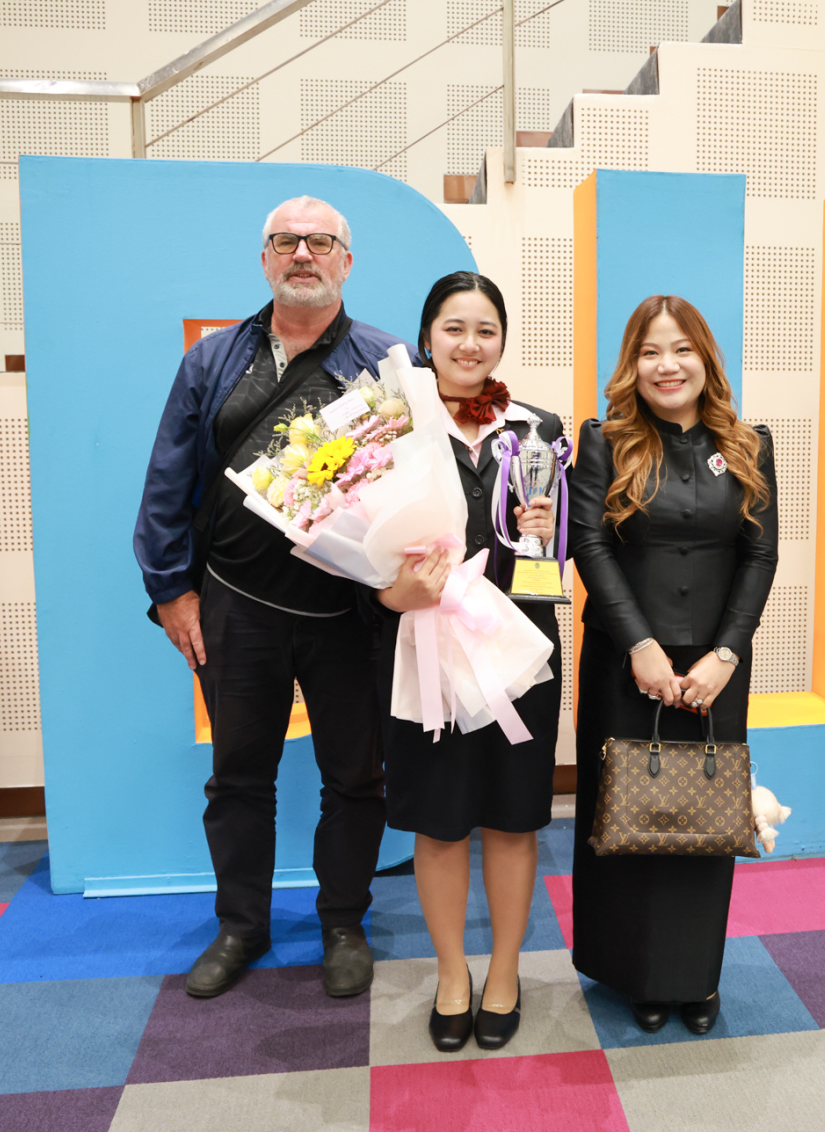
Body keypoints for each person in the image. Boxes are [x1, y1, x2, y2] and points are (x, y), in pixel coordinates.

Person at [135, 196, 402, 1001]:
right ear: (264, 260)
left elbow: (415, 490)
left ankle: (343, 922)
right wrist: (171, 592)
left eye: (321, 242)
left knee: (355, 778)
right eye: (286, 242)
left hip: (348, 615)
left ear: (346, 261)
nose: (303, 254)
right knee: (238, 778)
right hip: (234, 605)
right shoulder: (212, 361)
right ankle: (240, 925)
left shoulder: (386, 364)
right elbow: (167, 481)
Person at [568, 293, 777, 1035]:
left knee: (704, 818)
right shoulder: (604, 441)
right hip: (625, 661)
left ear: (705, 360)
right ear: (632, 364)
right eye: (651, 351)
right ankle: (636, 975)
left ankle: (695, 978)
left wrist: (727, 652)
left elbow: (759, 555)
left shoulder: (749, 444)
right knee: (624, 814)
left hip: (716, 668)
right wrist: (640, 646)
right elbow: (589, 546)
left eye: (681, 349)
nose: (667, 365)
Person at [374, 271, 564, 1052]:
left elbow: (558, 554)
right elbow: (361, 549)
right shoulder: (391, 428)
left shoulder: (540, 428)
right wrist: (394, 594)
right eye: (454, 328)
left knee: (514, 818)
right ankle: (452, 974)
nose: (470, 343)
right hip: (425, 650)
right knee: (441, 822)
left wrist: (547, 535)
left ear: (502, 341)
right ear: (427, 338)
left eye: (486, 329)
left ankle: (506, 972)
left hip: (518, 650)